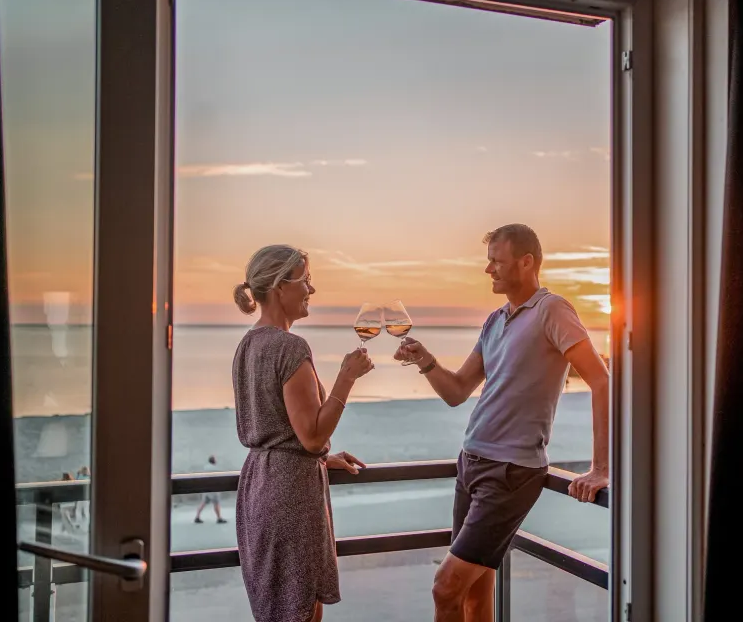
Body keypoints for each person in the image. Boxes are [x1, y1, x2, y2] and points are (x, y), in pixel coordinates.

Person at [395, 224, 610, 622]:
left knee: (445, 587)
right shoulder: (495, 320)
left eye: (497, 260)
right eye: (488, 259)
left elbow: (600, 380)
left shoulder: (553, 310)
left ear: (527, 262)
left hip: (511, 472)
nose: (488, 268)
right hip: (471, 463)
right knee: (475, 596)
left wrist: (600, 468)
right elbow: (457, 390)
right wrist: (425, 360)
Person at [232, 244, 373, 622]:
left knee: (276, 608)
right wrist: (347, 377)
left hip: (259, 487)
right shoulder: (289, 346)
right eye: (306, 281)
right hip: (290, 494)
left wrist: (324, 458)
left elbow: (275, 428)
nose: (311, 289)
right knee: (301, 611)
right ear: (280, 287)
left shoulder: (248, 344)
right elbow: (309, 436)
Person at [194, 455, 227, 524]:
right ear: (213, 461)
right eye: (215, 460)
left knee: (203, 503)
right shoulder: (215, 469)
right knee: (216, 503)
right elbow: (219, 478)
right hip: (213, 489)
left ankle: (197, 517)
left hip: (206, 489)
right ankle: (219, 518)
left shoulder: (205, 467)